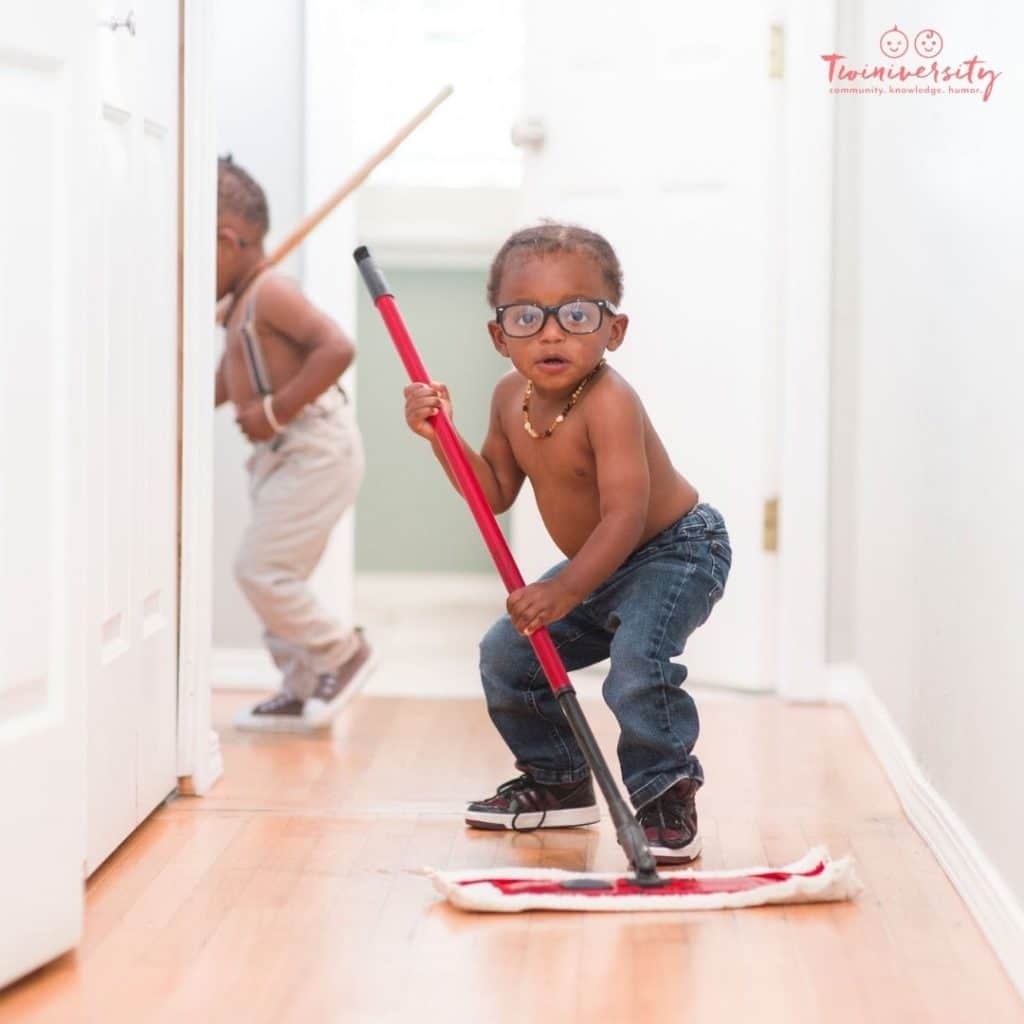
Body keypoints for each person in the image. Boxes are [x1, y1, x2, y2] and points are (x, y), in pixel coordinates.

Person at [402, 223, 731, 863]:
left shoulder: (611, 403)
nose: (552, 333)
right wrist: (441, 435)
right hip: (598, 566)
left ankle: (664, 792)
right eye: (527, 317)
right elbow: (492, 491)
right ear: (499, 336)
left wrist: (564, 589)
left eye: (577, 314)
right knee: (508, 655)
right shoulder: (509, 399)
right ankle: (558, 781)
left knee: (638, 662)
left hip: (674, 550)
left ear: (615, 330)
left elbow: (626, 518)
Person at [215, 156, 372, 731]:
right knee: (278, 572)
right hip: (279, 454)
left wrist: (274, 413)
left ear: (228, 241)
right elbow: (227, 381)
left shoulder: (270, 294)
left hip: (314, 447)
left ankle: (340, 651)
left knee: (260, 569)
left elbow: (336, 347)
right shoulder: (239, 305)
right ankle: (300, 681)